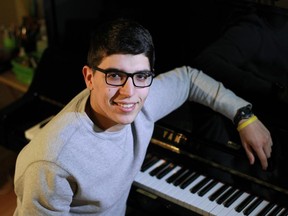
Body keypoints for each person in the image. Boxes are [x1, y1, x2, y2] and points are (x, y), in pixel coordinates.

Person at [13, 18, 272, 216]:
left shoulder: (142, 98)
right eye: (115, 76)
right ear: (89, 78)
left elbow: (190, 78)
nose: (129, 93)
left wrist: (244, 116)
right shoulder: (50, 163)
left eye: (141, 76)